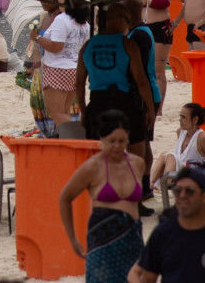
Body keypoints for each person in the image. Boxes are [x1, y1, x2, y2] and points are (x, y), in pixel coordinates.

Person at [57, 110, 147, 283]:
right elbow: (65, 197)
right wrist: (72, 238)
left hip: (133, 238)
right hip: (102, 241)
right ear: (102, 140)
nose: (117, 146)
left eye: (122, 141)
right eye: (111, 141)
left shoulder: (137, 164)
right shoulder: (92, 167)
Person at [81, 4, 156, 165]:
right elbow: (141, 81)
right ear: (121, 19)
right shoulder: (127, 44)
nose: (128, 26)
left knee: (99, 158)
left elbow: (79, 84)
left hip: (97, 103)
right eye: (128, 21)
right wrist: (149, 109)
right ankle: (139, 187)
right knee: (136, 154)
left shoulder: (87, 46)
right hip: (124, 102)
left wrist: (83, 111)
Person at [35, 0, 88, 127]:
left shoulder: (62, 19)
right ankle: (68, 138)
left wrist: (37, 38)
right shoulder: (85, 24)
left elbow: (56, 46)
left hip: (57, 69)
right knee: (64, 111)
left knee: (57, 113)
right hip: (75, 68)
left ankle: (74, 140)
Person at [150, 102, 205, 186]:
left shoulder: (202, 138)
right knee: (163, 157)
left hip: (191, 173)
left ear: (195, 119)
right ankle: (150, 182)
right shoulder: (180, 132)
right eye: (180, 116)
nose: (180, 119)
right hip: (178, 169)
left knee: (170, 156)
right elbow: (180, 158)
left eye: (183, 117)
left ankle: (166, 184)